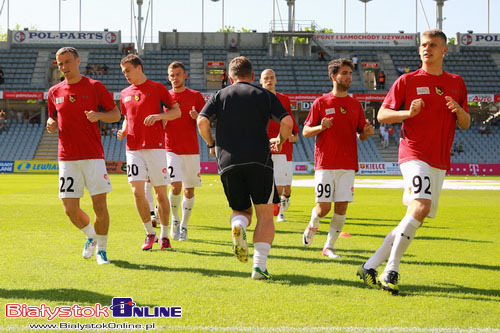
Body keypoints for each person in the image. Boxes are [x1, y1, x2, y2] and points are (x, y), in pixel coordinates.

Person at [357, 29, 470, 295]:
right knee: (421, 206)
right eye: (423, 45)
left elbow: (465, 124)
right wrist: (408, 112)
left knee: (414, 215)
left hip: (439, 160)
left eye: (432, 45)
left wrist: (460, 110)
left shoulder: (457, 82)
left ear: (444, 50)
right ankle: (391, 270)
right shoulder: (407, 81)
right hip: (413, 153)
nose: (426, 49)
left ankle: (370, 266)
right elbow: (383, 115)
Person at [197, 56, 293, 280]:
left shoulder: (220, 95)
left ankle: (239, 224)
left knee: (241, 210)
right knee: (265, 215)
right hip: (259, 161)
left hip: (228, 162)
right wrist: (280, 139)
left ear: (230, 78)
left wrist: (212, 144)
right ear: (252, 76)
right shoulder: (265, 95)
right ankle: (259, 267)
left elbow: (201, 121)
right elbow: (287, 122)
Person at [46, 46, 121, 265]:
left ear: (78, 61)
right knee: (69, 209)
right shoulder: (54, 92)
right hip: (66, 157)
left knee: (99, 205)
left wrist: (98, 115)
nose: (64, 67)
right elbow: (51, 119)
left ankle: (103, 250)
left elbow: (115, 114)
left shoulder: (95, 86)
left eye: (67, 62)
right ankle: (91, 236)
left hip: (92, 156)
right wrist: (50, 123)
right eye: (60, 64)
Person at [302, 58, 374, 259]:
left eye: (350, 73)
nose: (348, 77)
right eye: (344, 73)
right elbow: (307, 131)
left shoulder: (355, 105)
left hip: (348, 164)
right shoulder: (321, 103)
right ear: (333, 76)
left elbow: (362, 134)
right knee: (324, 208)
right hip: (325, 163)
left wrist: (368, 131)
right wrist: (321, 127)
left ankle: (329, 247)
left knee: (342, 206)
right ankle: (313, 224)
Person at [117, 54, 181, 251]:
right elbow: (127, 116)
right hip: (133, 148)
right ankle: (149, 233)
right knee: (137, 192)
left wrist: (159, 115)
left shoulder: (157, 88)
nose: (126, 75)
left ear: (139, 68)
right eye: (123, 72)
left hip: (155, 147)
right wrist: (124, 129)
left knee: (160, 192)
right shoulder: (124, 93)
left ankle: (164, 235)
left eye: (128, 70)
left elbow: (176, 112)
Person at [148, 61, 205, 241]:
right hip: (170, 149)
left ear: (185, 76)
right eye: (172, 75)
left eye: (178, 74)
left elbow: (206, 121)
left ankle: (185, 227)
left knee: (189, 191)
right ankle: (175, 220)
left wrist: (198, 118)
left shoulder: (196, 96)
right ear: (168, 77)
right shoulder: (165, 97)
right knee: (176, 186)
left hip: (191, 150)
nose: (175, 78)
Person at [260, 68, 299, 222]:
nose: (269, 80)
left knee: (284, 187)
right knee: (269, 185)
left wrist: (290, 138)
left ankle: (283, 204)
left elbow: (293, 130)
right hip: (263, 150)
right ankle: (276, 211)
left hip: (283, 150)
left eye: (272, 77)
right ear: (261, 81)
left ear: (275, 80)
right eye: (266, 78)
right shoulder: (256, 99)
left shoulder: (284, 100)